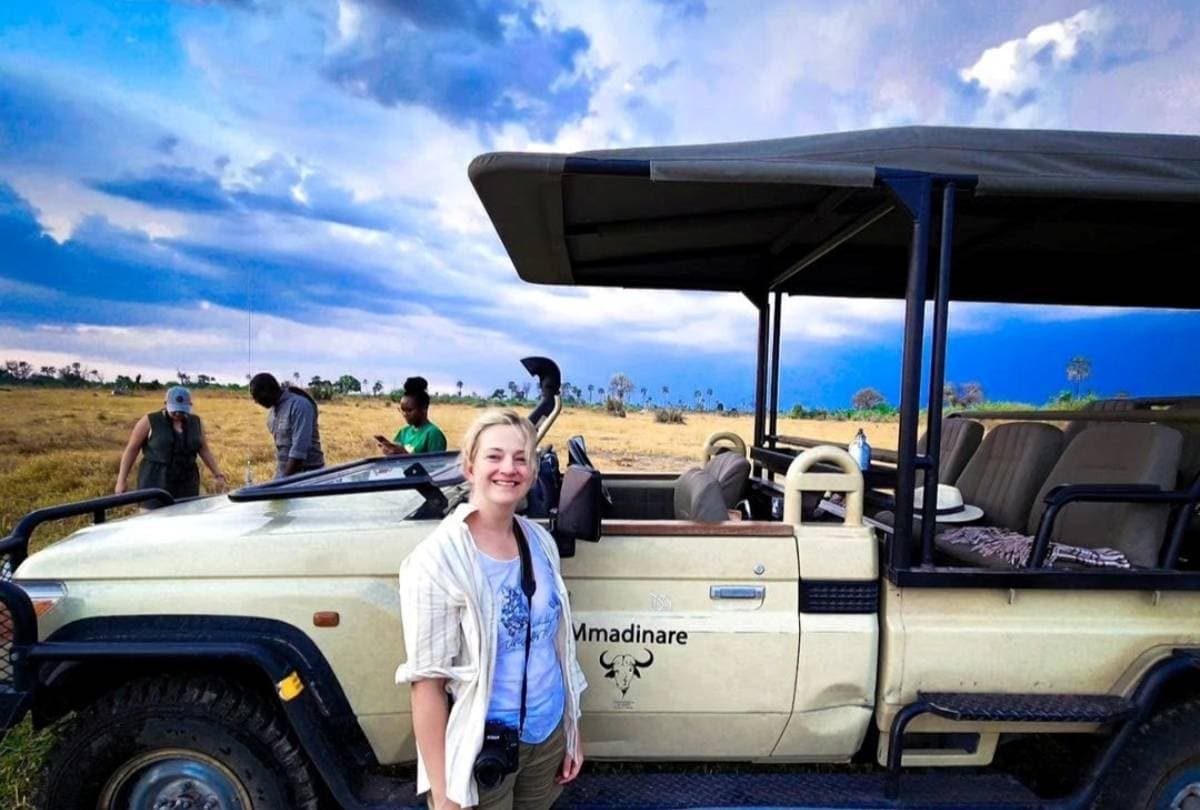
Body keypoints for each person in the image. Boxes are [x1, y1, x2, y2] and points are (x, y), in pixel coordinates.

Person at [396, 409, 585, 810]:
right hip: (482, 744)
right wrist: (444, 793)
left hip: (547, 735)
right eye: (494, 456)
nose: (508, 469)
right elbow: (427, 684)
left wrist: (571, 730)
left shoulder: (539, 542)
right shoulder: (439, 559)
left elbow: (556, 647)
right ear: (470, 466)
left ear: (532, 473)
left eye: (520, 458)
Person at [115, 386, 226, 499]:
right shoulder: (149, 421)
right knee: (155, 509)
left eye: (182, 410)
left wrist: (218, 474)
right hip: (155, 479)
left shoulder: (195, 422)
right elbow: (132, 450)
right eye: (174, 410)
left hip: (187, 479)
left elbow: (204, 450)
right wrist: (121, 480)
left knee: (187, 508)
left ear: (190, 406)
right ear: (165, 404)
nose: (177, 413)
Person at [249, 372, 325, 478]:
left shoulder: (299, 405)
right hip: (285, 471)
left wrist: (283, 481)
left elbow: (299, 450)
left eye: (257, 396)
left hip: (309, 474)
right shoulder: (273, 413)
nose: (256, 401)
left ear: (267, 391)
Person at [376, 376, 447, 456]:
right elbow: (397, 460)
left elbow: (436, 463)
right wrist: (390, 451)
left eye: (409, 410)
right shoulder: (403, 432)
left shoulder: (433, 434)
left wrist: (404, 454)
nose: (405, 414)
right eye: (402, 410)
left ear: (424, 408)